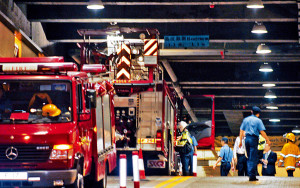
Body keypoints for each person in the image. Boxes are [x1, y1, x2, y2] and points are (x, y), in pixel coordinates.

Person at [239, 106, 271, 181]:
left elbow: (241, 130)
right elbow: (262, 131)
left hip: (247, 139)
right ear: (258, 114)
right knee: (253, 158)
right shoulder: (258, 120)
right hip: (253, 139)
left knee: (249, 157)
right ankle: (252, 176)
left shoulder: (245, 119)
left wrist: (240, 141)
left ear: (251, 111)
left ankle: (250, 174)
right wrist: (267, 140)